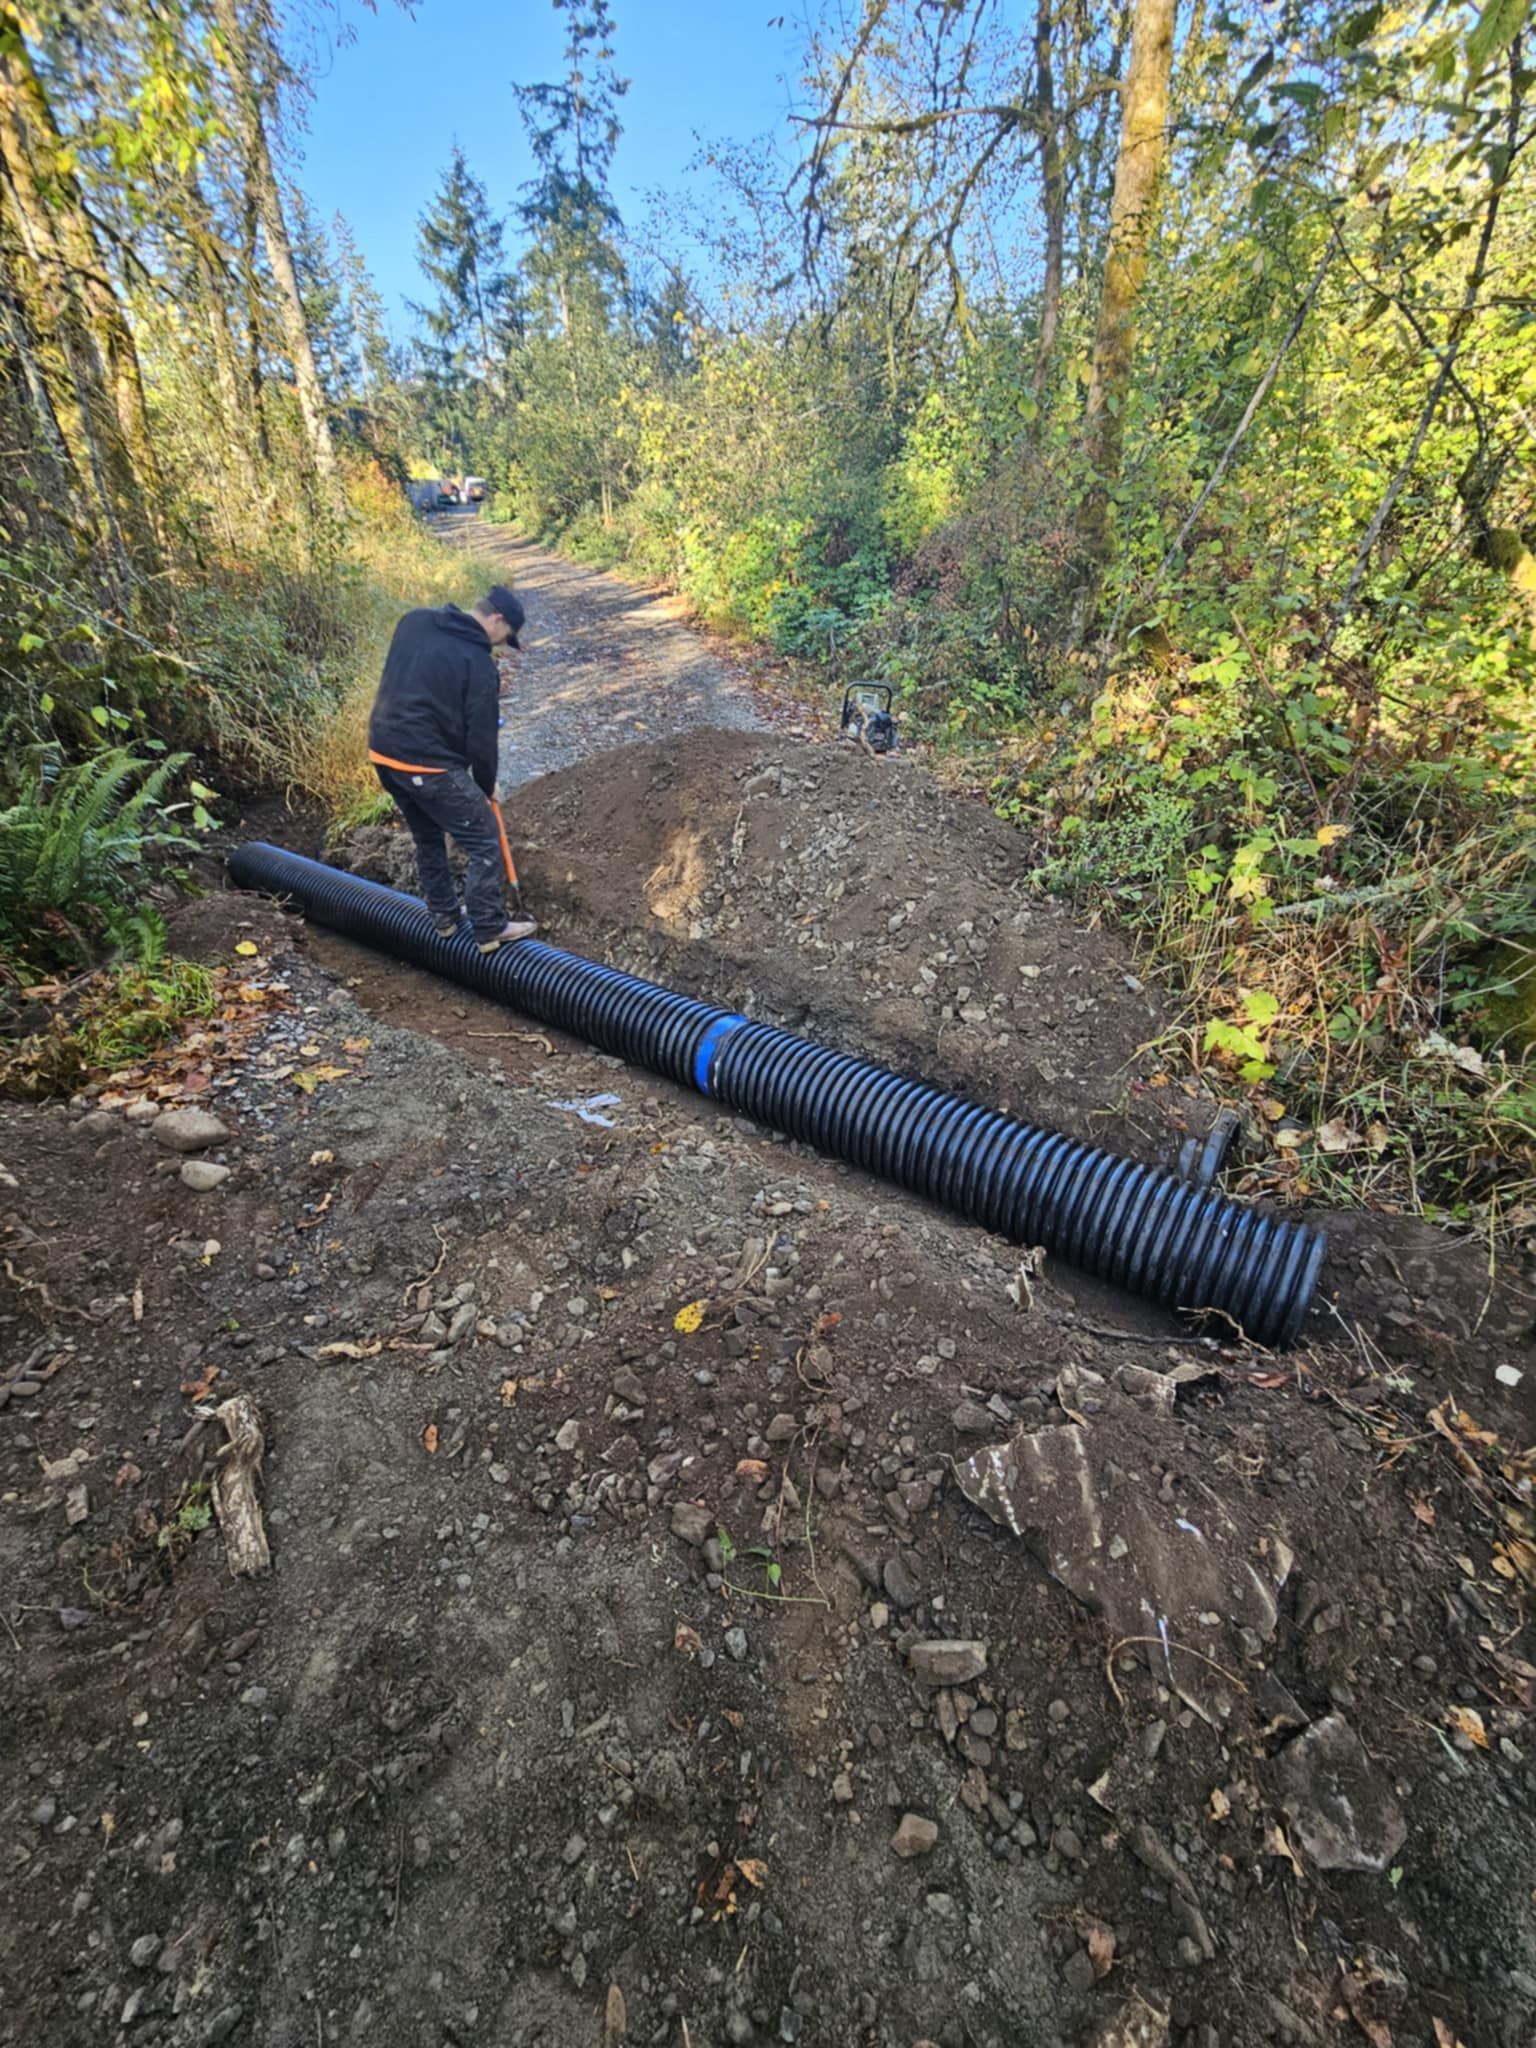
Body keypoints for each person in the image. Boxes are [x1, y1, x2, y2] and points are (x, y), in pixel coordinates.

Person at [367, 584, 537, 951]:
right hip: (425, 764)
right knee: (484, 839)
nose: (499, 646)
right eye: (504, 637)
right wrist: (485, 784)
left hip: (383, 754)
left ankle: (444, 919)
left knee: (427, 836)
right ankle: (489, 927)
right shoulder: (478, 664)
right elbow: (481, 740)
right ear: (497, 619)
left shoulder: (415, 621)